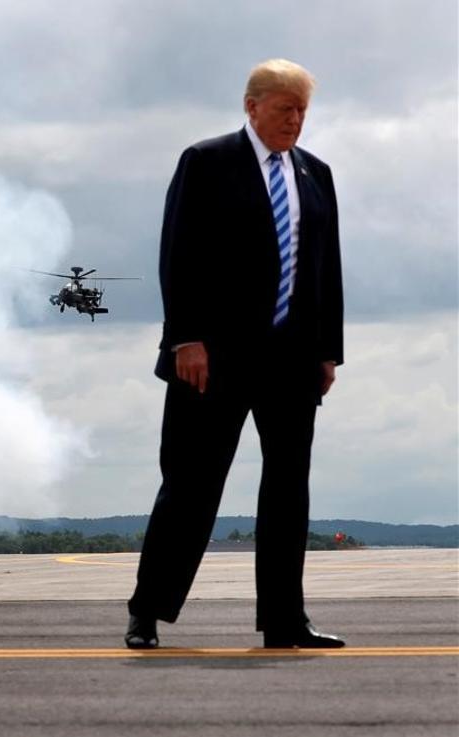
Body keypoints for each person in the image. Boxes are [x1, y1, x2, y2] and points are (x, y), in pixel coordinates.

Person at [126, 59, 345, 650]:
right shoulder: (206, 161)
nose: (294, 121)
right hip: (212, 360)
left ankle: (284, 620)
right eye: (283, 110)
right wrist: (185, 339)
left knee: (287, 491)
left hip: (292, 362)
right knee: (191, 487)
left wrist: (328, 353)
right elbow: (179, 253)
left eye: (302, 111)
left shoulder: (315, 173)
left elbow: (325, 269)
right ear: (252, 107)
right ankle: (147, 612)